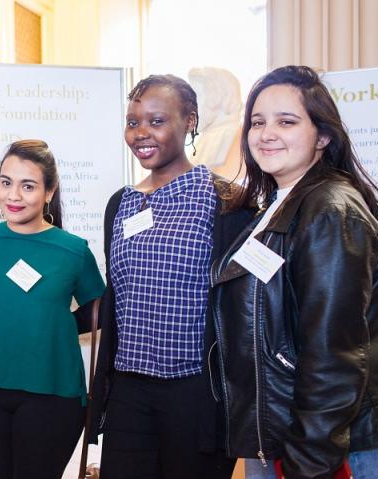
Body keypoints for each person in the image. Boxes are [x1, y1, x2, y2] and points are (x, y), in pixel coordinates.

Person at [209, 65, 378, 478]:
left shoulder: (330, 209)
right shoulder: (279, 202)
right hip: (280, 434)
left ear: (322, 136)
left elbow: (334, 354)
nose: (267, 133)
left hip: (324, 447)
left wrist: (308, 462)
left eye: (286, 121)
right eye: (258, 122)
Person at [88, 74, 253, 479]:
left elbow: (244, 305)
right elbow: (119, 294)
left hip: (196, 391)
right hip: (128, 389)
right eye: (133, 122)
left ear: (190, 122)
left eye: (156, 121)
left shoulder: (226, 200)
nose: (141, 133)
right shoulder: (120, 205)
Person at [0, 140, 106, 479]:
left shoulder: (73, 250)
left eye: (28, 186)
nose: (13, 196)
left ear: (49, 192)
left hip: (53, 393)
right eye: (5, 182)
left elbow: (100, 310)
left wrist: (51, 323)